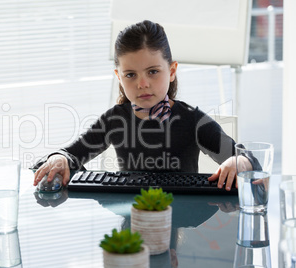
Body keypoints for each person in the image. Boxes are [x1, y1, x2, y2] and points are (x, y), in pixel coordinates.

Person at [33, 20, 251, 191]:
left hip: (181, 220)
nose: (142, 84)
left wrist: (239, 161)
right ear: (119, 77)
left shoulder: (193, 120)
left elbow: (248, 160)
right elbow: (71, 154)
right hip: (132, 224)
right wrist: (59, 158)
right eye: (130, 75)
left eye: (153, 72)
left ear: (172, 71)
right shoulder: (114, 120)